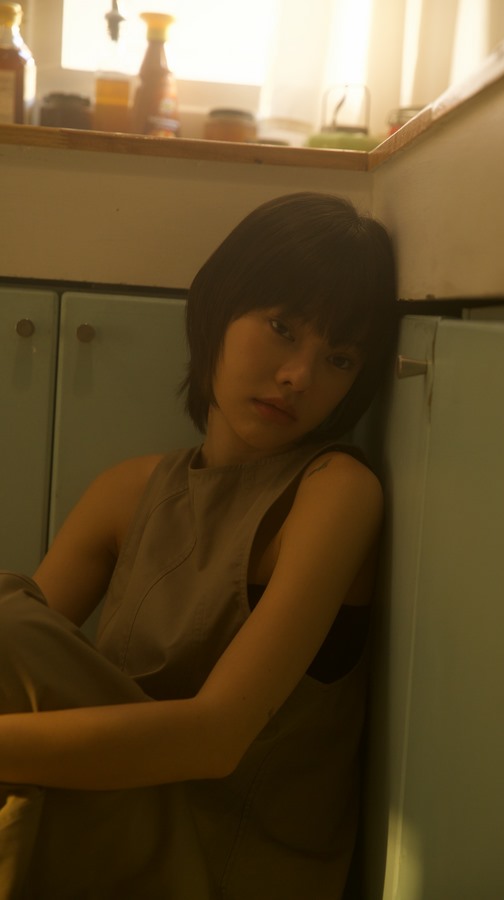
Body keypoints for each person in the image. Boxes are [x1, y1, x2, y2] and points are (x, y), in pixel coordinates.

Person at [0, 192, 397, 899]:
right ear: (218, 308)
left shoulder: (335, 492)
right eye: (281, 327)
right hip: (116, 811)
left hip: (226, 859)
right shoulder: (127, 492)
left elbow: (216, 739)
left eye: (338, 359)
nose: (299, 377)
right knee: (10, 616)